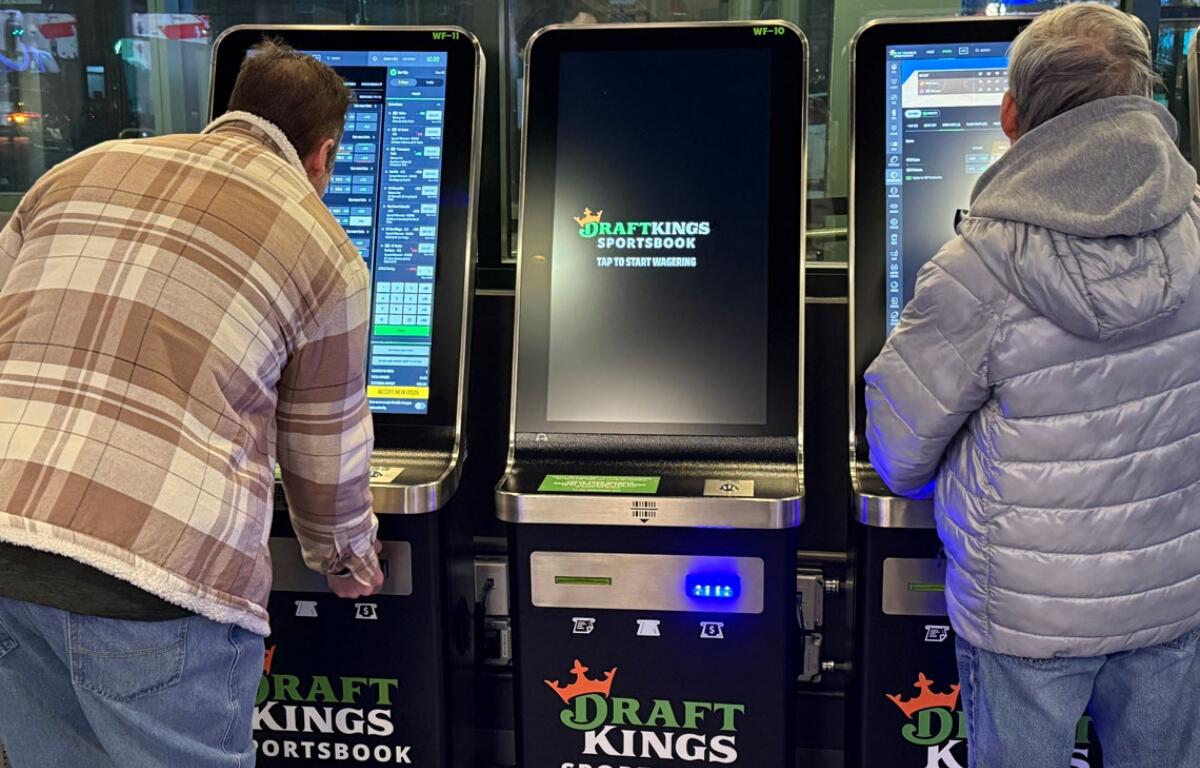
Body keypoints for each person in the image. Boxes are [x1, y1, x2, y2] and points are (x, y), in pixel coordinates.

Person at [0, 40, 383, 766]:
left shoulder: (75, 170)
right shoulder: (325, 247)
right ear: (322, 154)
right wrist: (349, 562)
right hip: (153, 572)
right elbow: (321, 448)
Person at [865, 4, 1200, 767]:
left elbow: (898, 448)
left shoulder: (977, 264)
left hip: (1027, 614)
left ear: (1012, 115)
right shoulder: (1196, 226)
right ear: (1145, 103)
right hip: (1172, 594)